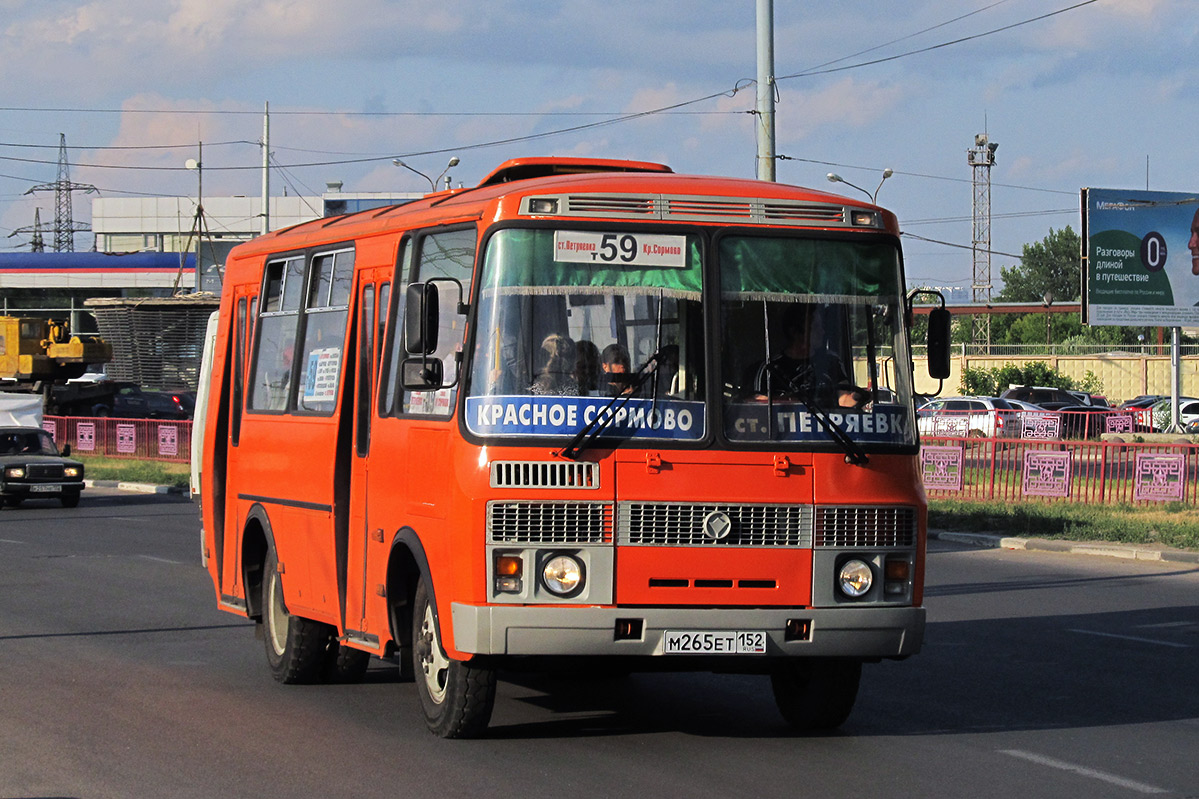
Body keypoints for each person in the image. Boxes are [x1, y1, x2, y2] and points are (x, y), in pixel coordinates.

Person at [749, 304, 865, 408]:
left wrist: (859, 396)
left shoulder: (831, 362)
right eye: (815, 327)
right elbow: (758, 405)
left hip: (828, 430)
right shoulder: (769, 369)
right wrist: (796, 401)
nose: (822, 332)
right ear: (795, 332)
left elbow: (844, 400)